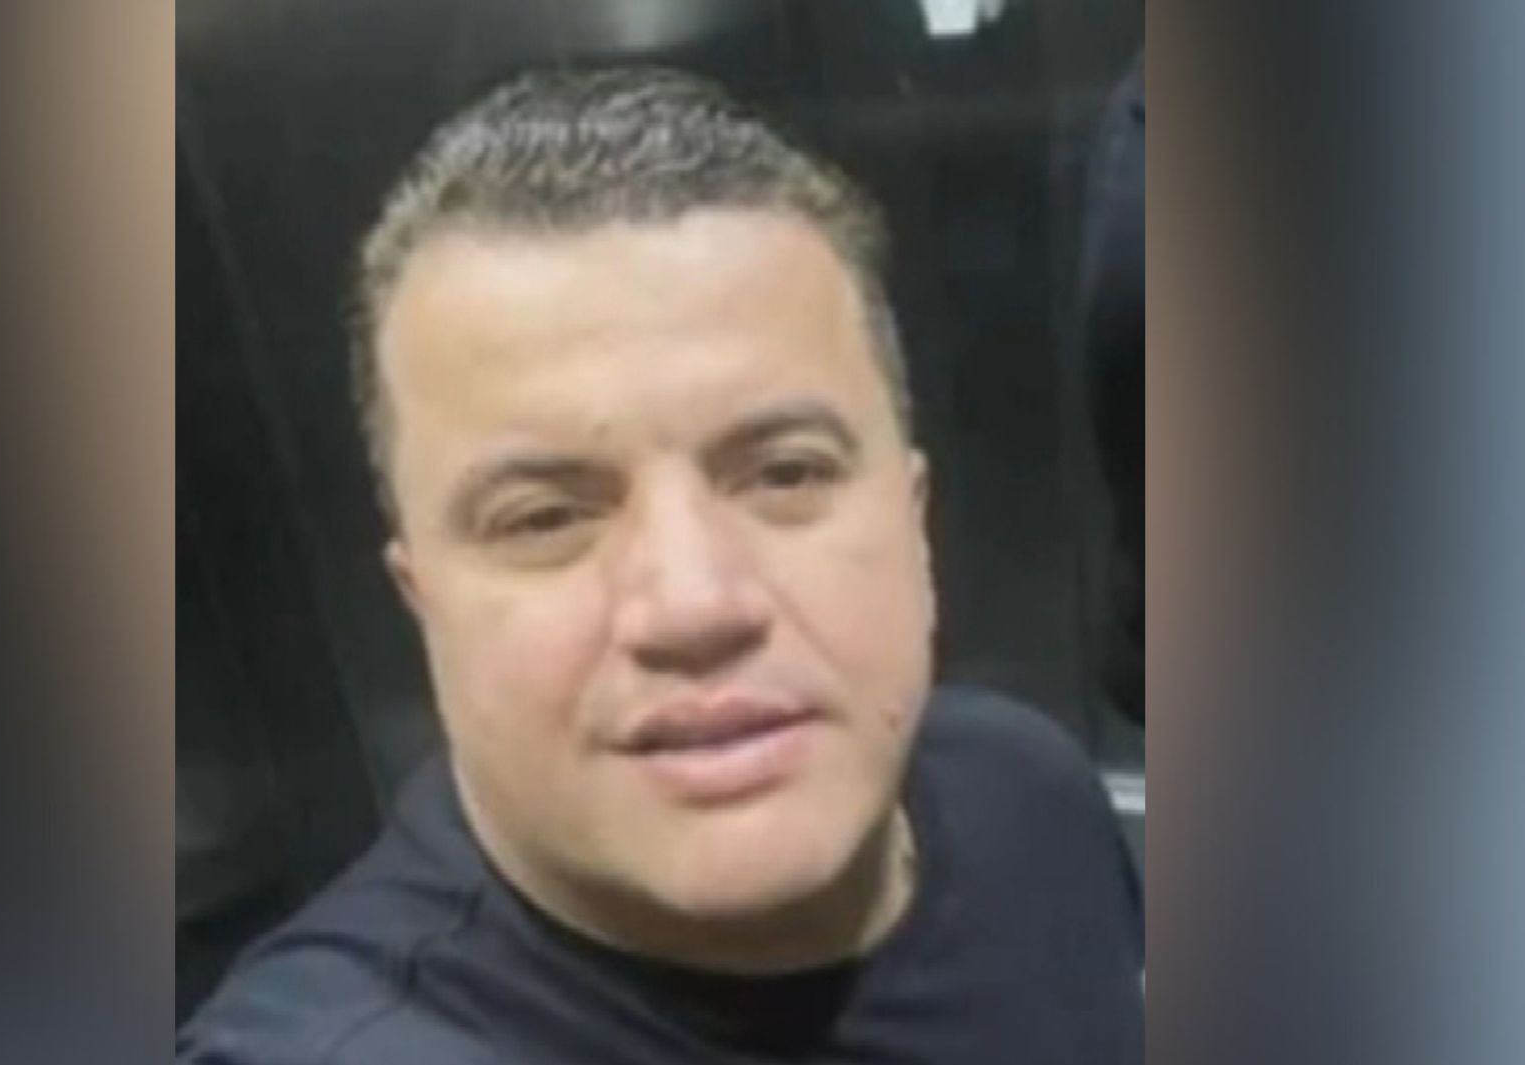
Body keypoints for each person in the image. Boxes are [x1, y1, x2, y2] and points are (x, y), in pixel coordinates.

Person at [180, 66, 1142, 1064]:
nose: (693, 604)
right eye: (544, 518)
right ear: (422, 603)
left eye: (785, 471)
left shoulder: (1025, 792)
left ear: (914, 523)